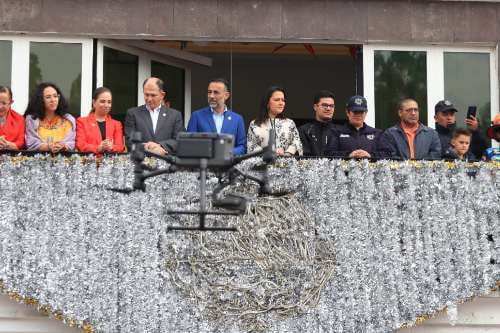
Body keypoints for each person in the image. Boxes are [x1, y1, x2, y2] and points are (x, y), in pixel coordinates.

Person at [124, 77, 184, 155]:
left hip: (166, 162)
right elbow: (129, 141)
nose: (149, 99)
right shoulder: (133, 113)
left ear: (162, 95)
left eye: (153, 95)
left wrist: (160, 146)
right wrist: (148, 147)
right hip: (141, 163)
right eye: (146, 94)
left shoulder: (175, 115)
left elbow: (179, 140)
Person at [187, 78, 246, 155]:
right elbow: (189, 144)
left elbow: (242, 147)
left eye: (216, 92)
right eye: (209, 92)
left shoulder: (237, 119)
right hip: (203, 164)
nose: (211, 96)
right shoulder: (197, 116)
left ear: (226, 95)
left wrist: (227, 152)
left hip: (228, 165)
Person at [247, 85, 303, 156]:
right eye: (277, 100)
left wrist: (286, 153)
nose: (281, 103)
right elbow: (251, 147)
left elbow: (297, 143)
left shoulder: (289, 123)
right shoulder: (255, 124)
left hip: (286, 165)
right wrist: (268, 153)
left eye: (283, 100)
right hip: (263, 165)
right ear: (267, 103)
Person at [24, 82, 75, 152]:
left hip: (64, 161)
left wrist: (63, 146)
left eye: (55, 96)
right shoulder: (32, 119)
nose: (53, 100)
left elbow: (71, 143)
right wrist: (48, 147)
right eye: (48, 97)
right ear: (40, 100)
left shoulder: (68, 119)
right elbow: (31, 143)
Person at [76, 87, 125, 154]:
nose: (106, 105)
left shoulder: (116, 124)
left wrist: (111, 147)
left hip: (110, 163)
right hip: (89, 162)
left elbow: (120, 147)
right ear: (94, 102)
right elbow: (80, 145)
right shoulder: (82, 122)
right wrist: (99, 148)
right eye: (102, 101)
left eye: (109, 102)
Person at [298, 90, 338, 157]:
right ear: (315, 107)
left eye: (331, 106)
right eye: (324, 105)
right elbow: (303, 157)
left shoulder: (339, 131)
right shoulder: (304, 130)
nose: (328, 108)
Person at [0, 86, 25, 150]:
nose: (0, 107)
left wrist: (8, 145)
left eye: (4, 103)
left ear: (11, 102)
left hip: (12, 157)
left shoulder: (19, 119)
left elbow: (21, 143)